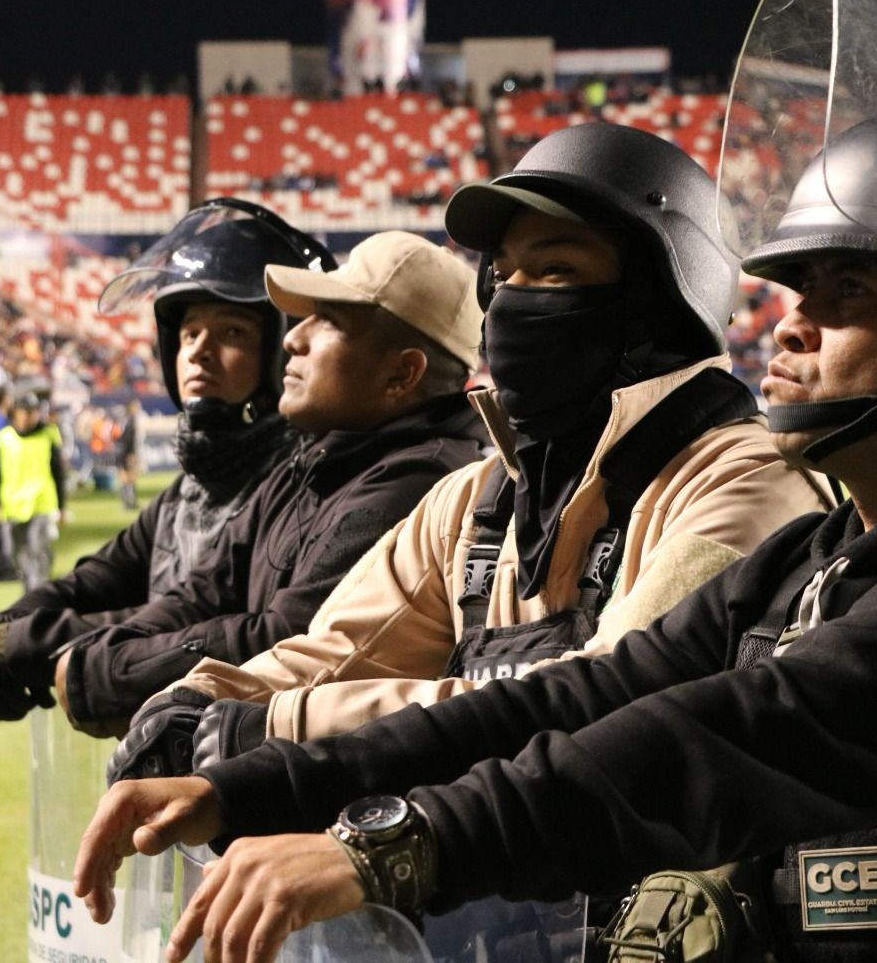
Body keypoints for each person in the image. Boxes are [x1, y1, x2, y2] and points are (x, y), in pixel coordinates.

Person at [72, 0, 877, 963]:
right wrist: (254, 785)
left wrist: (387, 848)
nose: (788, 326)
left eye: (849, 294)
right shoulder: (828, 555)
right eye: (796, 290)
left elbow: (733, 738)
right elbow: (579, 698)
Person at [111, 122, 829, 780]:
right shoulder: (479, 499)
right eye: (503, 274)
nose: (509, 300)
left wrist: (274, 724)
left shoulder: (744, 483)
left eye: (552, 273)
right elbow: (339, 651)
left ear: (659, 300)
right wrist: (195, 698)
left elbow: (612, 701)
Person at [1, 229, 491, 736]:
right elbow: (205, 592)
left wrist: (98, 669)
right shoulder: (316, 462)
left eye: (330, 320)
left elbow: (288, 640)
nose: (293, 338)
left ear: (402, 374)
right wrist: (53, 645)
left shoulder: (417, 483)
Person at [0, 199, 332, 720]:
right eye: (189, 333)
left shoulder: (304, 482)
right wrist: (6, 622)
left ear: (283, 349)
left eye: (232, 332)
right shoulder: (187, 492)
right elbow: (100, 577)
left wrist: (26, 642)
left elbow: (198, 618)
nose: (198, 351)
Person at [0, 396, 65, 592]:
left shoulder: (48, 434)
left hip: (41, 503)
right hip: (12, 505)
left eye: (33, 411)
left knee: (38, 548)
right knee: (13, 552)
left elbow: (58, 472)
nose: (29, 416)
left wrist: (62, 506)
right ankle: (29, 585)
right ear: (16, 412)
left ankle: (39, 591)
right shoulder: (5, 437)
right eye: (25, 411)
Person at [112, 397, 143, 510]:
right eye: (137, 406)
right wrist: (132, 454)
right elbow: (129, 439)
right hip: (127, 453)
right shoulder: (130, 420)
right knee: (129, 478)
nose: (138, 408)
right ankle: (129, 502)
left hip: (123, 452)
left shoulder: (125, 420)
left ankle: (129, 502)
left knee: (127, 478)